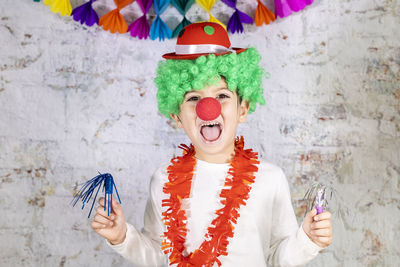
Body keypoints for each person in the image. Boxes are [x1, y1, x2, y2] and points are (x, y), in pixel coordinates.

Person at [90, 22, 333, 267]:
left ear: (243, 108)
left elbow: (277, 257)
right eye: (194, 98)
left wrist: (308, 240)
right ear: (176, 115)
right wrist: (122, 237)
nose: (208, 108)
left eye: (222, 96)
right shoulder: (163, 180)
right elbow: (158, 254)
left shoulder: (269, 178)